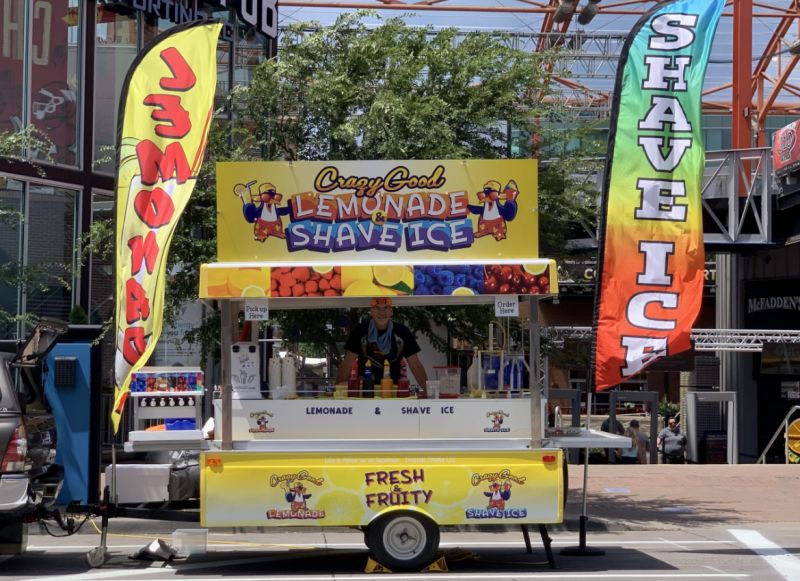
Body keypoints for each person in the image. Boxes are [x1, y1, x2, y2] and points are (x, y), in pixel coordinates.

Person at [335, 297, 428, 388]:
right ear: (371, 312)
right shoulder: (360, 331)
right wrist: (337, 392)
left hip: (393, 391)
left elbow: (415, 365)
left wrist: (429, 392)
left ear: (391, 311)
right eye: (377, 308)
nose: (382, 312)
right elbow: (347, 363)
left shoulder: (402, 332)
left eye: (386, 308)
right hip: (366, 392)